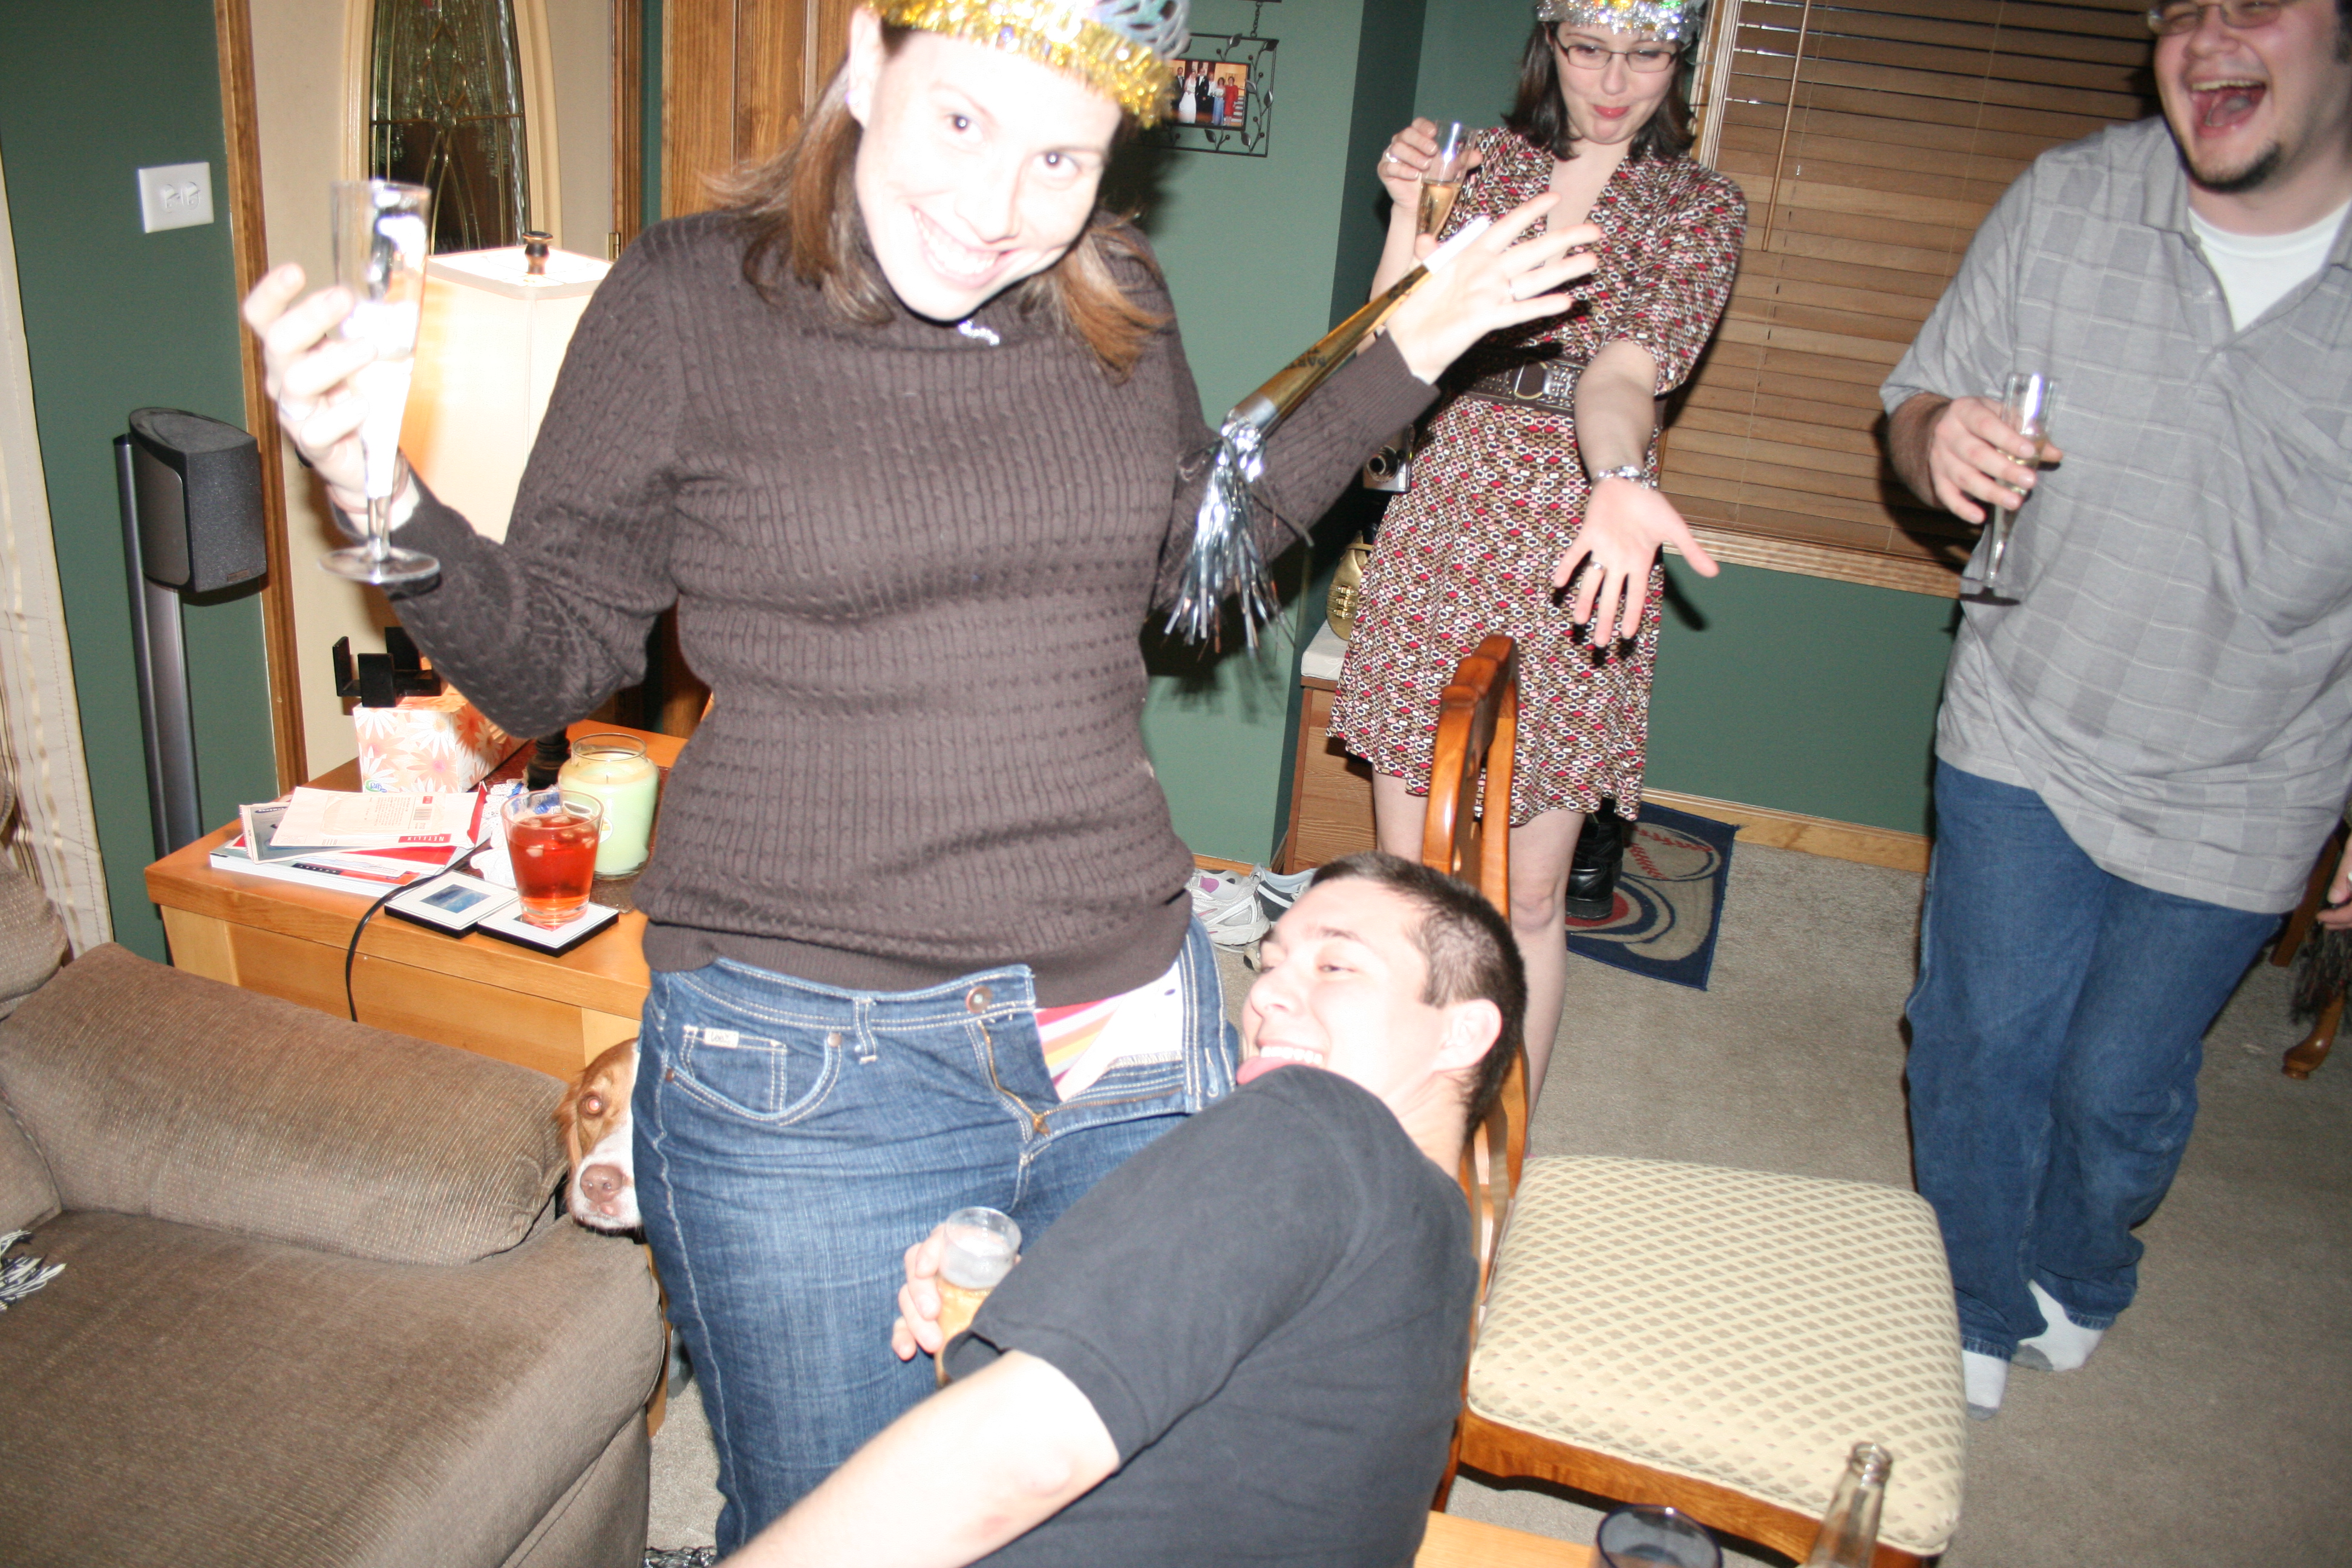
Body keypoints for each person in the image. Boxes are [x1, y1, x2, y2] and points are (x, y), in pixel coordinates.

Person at [242, 0, 1603, 1546]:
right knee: (850, 1521)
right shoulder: (687, 300)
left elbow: (1186, 569)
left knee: (1123, 1506)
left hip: (1129, 1026)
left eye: (1062, 161)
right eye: (961, 121)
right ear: (865, 63)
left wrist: (1406, 349)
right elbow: (552, 661)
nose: (998, 206)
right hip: (807, 1054)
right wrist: (382, 501)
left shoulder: (1117, 296)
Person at [1881, 0, 2352, 1420]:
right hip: (2026, 708)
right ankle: (1967, 1301)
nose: (2211, 32)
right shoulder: (2072, 196)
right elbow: (1913, 405)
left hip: (2259, 770)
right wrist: (1935, 437)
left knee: (2116, 1087)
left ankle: (2082, 1267)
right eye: (2183, 4)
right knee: (1979, 1035)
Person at [724, 852, 1527, 1568]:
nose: (1267, 993)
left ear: (1463, 1032)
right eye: (1270, 960)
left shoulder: (1313, 1123)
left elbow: (1022, 1456)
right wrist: (1029, 1307)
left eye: (1336, 966)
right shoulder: (1435, 1249)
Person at [1328, 0, 1745, 1096]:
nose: (1613, 81)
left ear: (1680, 59)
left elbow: (1622, 372)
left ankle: (1500, 1137)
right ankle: (1389, 1110)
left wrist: (1617, 480)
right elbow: (1389, 346)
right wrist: (1411, 213)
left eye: (1645, 55)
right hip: (1452, 509)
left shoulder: (1697, 206)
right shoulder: (1488, 167)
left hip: (1585, 534)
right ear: (1550, 45)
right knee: (1411, 882)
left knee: (1529, 894)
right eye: (1589, 49)